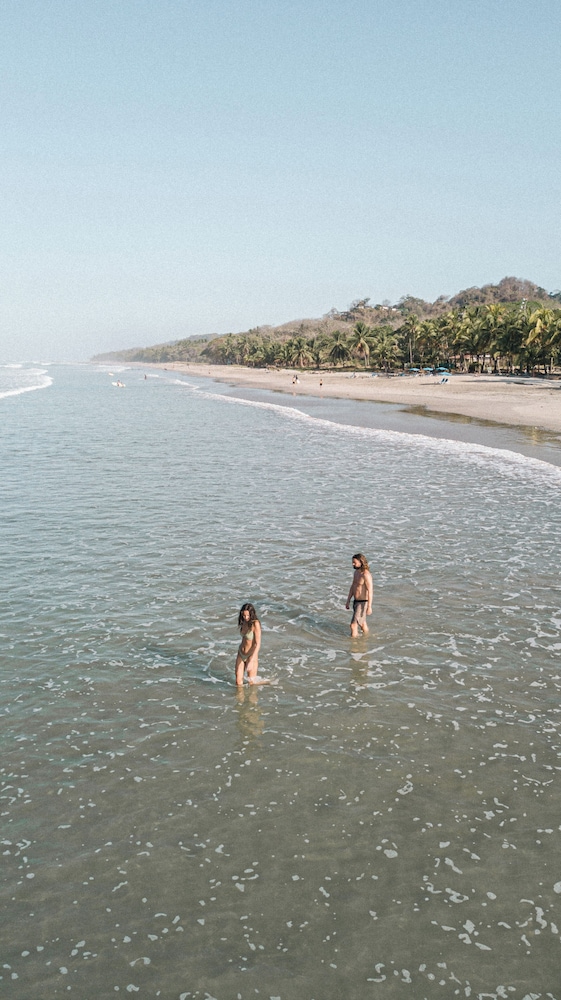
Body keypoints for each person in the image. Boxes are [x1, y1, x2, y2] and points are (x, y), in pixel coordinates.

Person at [235, 603, 269, 686]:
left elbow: (257, 643)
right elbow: (244, 639)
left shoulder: (255, 624)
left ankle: (268, 682)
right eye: (244, 615)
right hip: (241, 653)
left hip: (251, 655)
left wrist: (252, 659)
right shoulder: (243, 622)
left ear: (252, 614)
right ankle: (240, 699)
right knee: (238, 683)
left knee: (251, 683)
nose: (246, 618)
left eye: (248, 616)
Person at [345, 553, 373, 636]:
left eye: (354, 562)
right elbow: (353, 587)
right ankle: (367, 638)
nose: (353, 564)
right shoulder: (356, 572)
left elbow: (370, 590)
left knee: (353, 625)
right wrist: (348, 600)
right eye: (352, 562)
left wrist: (369, 606)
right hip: (356, 602)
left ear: (361, 562)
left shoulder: (366, 575)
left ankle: (354, 646)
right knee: (362, 623)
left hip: (363, 603)